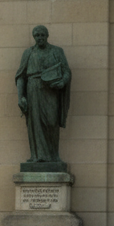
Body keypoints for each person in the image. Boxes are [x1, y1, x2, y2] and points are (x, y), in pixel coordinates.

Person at [16, 24, 72, 167]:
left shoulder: (56, 51)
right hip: (33, 89)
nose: (40, 38)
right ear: (34, 37)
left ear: (47, 36)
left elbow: (66, 71)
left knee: (52, 121)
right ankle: (37, 156)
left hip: (51, 90)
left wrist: (63, 82)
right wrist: (20, 96)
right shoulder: (28, 53)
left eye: (42, 35)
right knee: (35, 123)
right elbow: (21, 76)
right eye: (37, 35)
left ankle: (53, 156)